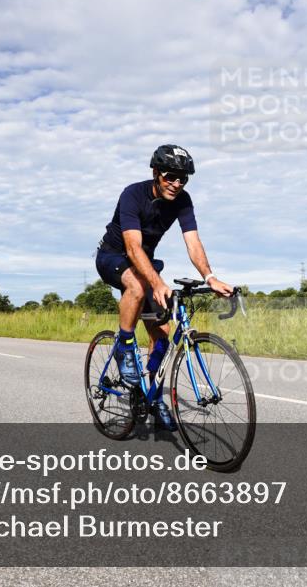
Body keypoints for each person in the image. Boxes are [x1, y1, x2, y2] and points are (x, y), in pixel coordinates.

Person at [95, 145, 233, 431]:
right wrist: (156, 283)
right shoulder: (133, 194)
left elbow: (193, 242)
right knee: (136, 284)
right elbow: (132, 247)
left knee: (163, 337)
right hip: (113, 257)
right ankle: (123, 346)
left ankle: (154, 398)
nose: (177, 184)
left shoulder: (183, 201)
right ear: (156, 173)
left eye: (183, 179)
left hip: (146, 264)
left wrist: (210, 277)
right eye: (171, 177)